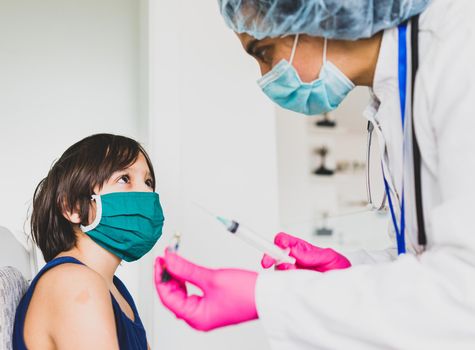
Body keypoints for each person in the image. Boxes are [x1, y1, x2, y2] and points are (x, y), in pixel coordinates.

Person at [154, 0, 475, 348]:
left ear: (317, 13)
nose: (265, 77)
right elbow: (426, 257)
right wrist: (350, 270)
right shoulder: (396, 86)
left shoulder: (460, 54)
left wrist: (267, 296)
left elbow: (464, 294)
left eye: (263, 51)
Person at [13, 134, 164, 350]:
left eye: (148, 182)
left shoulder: (114, 288)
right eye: (124, 179)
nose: (146, 193)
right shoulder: (74, 282)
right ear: (72, 207)